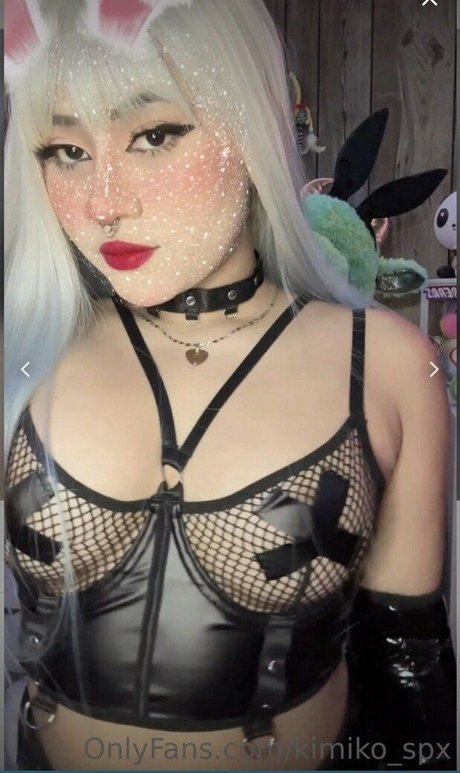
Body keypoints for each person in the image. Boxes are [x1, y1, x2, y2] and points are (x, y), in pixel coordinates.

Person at [4, 0, 456, 770]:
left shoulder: (387, 364)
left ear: (251, 123)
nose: (103, 201)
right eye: (67, 150)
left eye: (153, 135)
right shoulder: (26, 354)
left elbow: (409, 674)